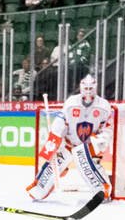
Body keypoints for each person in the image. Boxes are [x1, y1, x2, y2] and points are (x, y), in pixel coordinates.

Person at [30, 74, 116, 202]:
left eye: (90, 88)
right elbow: (61, 121)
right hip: (69, 145)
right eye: (85, 88)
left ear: (95, 88)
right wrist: (55, 140)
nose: (88, 91)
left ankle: (102, 192)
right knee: (54, 164)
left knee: (89, 166)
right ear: (81, 88)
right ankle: (39, 189)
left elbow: (107, 129)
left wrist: (98, 143)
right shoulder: (71, 103)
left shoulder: (103, 106)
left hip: (87, 148)